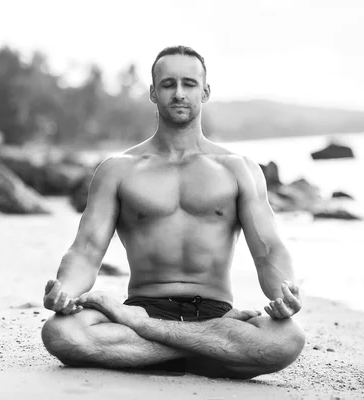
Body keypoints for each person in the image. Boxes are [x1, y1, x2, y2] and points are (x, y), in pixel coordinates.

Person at [41, 45, 305, 379]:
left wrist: (286, 291)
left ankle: (150, 348)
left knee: (289, 338)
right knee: (59, 332)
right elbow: (87, 249)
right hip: (150, 307)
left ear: (205, 91)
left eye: (189, 84)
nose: (178, 93)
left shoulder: (239, 169)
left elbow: (268, 250)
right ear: (153, 92)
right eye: (168, 84)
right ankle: (205, 351)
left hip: (210, 311)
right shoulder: (118, 170)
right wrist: (65, 289)